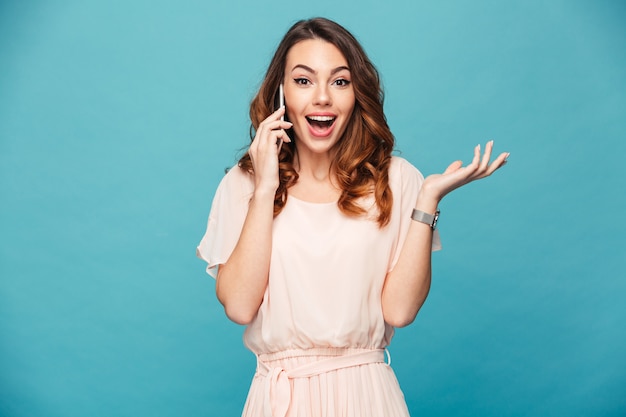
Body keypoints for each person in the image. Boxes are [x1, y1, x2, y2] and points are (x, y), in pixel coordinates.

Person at [197, 17, 508, 417]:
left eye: (340, 81)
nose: (322, 97)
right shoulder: (244, 184)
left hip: (367, 396)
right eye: (304, 80)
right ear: (280, 94)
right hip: (280, 399)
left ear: (356, 94)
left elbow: (400, 312)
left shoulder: (397, 180)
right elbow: (239, 306)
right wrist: (264, 188)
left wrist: (428, 200)